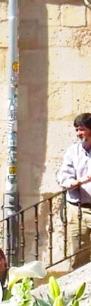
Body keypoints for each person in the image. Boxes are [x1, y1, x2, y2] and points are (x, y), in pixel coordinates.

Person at [57, 112, 91, 270]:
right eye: (77, 130)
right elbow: (63, 177)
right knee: (78, 257)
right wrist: (77, 182)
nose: (78, 134)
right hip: (78, 209)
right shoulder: (73, 151)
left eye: (81, 129)